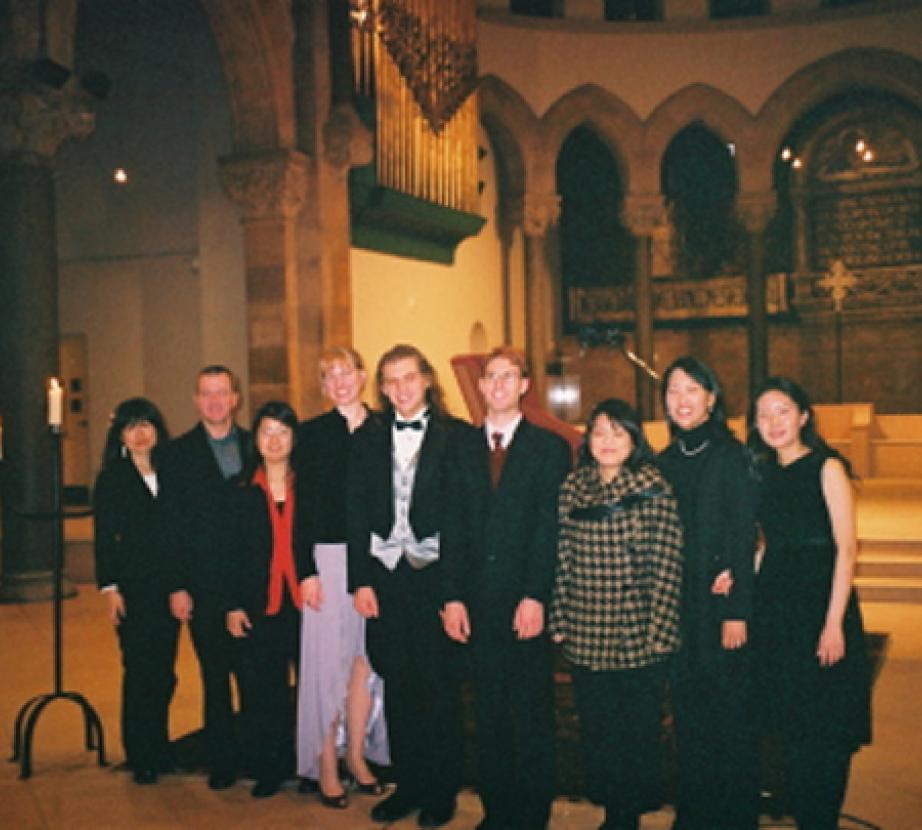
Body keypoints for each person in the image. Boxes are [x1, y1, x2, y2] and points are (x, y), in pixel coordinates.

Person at [445, 346, 571, 830]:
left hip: (525, 603)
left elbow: (549, 529)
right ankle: (498, 813)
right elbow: (451, 525)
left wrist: (537, 595)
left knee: (531, 715)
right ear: (480, 386)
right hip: (475, 604)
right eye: (490, 377)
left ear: (524, 386)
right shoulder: (461, 447)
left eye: (508, 376)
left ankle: (532, 814)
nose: (498, 385)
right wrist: (452, 596)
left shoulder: (549, 448)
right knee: (489, 714)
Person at [348, 344, 466, 829]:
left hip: (434, 580)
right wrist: (360, 580)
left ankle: (441, 791)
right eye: (390, 381)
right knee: (397, 686)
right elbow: (355, 512)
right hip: (385, 580)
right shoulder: (367, 438)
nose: (400, 389)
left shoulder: (457, 438)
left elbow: (463, 520)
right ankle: (409, 785)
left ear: (427, 379)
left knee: (438, 690)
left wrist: (455, 591)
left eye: (408, 378)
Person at [551, 398, 683, 830]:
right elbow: (562, 560)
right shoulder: (573, 487)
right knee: (598, 732)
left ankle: (627, 814)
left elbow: (668, 565)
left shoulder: (652, 487)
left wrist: (660, 633)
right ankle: (613, 805)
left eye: (618, 432)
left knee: (637, 733)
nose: (607, 442)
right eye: (599, 432)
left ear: (634, 439)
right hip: (586, 631)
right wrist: (558, 620)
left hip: (637, 633)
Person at [747, 377, 871, 830]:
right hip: (776, 609)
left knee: (825, 731)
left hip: (820, 608)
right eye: (763, 414)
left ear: (803, 416)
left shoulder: (827, 467)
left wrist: (834, 622)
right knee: (789, 728)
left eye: (782, 410)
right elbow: (767, 546)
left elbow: (846, 548)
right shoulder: (763, 473)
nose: (773, 422)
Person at [657, 356, 759, 830]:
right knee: (689, 718)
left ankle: (734, 818)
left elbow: (741, 534)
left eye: (692, 389)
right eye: (674, 390)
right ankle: (694, 814)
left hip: (719, 610)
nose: (682, 399)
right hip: (679, 609)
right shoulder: (664, 461)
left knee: (730, 720)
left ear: (711, 398)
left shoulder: (730, 455)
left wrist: (736, 612)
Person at [294, 347, 389, 808]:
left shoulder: (385, 428)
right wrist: (305, 570)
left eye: (345, 371)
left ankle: (355, 754)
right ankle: (325, 762)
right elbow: (301, 508)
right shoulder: (311, 435)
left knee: (364, 663)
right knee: (327, 664)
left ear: (363, 375)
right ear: (324, 386)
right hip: (328, 558)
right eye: (329, 376)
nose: (339, 382)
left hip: (376, 559)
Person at [160, 364, 248, 789]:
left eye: (222, 392)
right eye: (206, 393)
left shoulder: (257, 445)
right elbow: (170, 526)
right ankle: (223, 760)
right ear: (197, 401)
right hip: (203, 582)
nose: (215, 400)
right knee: (214, 676)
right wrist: (177, 585)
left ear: (235, 398)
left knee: (253, 674)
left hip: (251, 582)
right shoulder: (177, 454)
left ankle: (259, 754)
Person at [94, 398, 178, 785]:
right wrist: (110, 589)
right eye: (132, 426)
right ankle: (140, 752)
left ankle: (159, 746)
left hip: (170, 588)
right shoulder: (112, 478)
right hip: (134, 588)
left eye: (147, 424)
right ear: (121, 435)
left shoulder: (172, 471)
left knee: (164, 672)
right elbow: (104, 539)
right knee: (140, 669)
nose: (141, 433)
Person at [224, 401, 305, 798]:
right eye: (266, 432)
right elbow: (229, 555)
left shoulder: (308, 485)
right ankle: (270, 766)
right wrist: (234, 605)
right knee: (263, 690)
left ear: (294, 438)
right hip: (259, 603)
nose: (274, 441)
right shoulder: (239, 489)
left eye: (283, 432)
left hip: (306, 603)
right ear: (255, 439)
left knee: (311, 690)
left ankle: (309, 764)